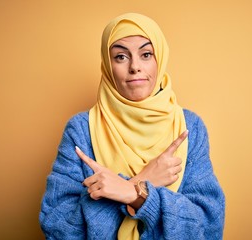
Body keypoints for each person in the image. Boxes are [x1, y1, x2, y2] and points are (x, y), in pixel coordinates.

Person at [39, 13, 225, 239]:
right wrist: (140, 183)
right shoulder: (81, 129)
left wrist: (134, 193)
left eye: (146, 54)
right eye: (120, 57)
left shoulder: (189, 127)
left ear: (160, 59)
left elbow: (208, 226)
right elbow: (59, 230)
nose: (135, 67)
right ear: (108, 66)